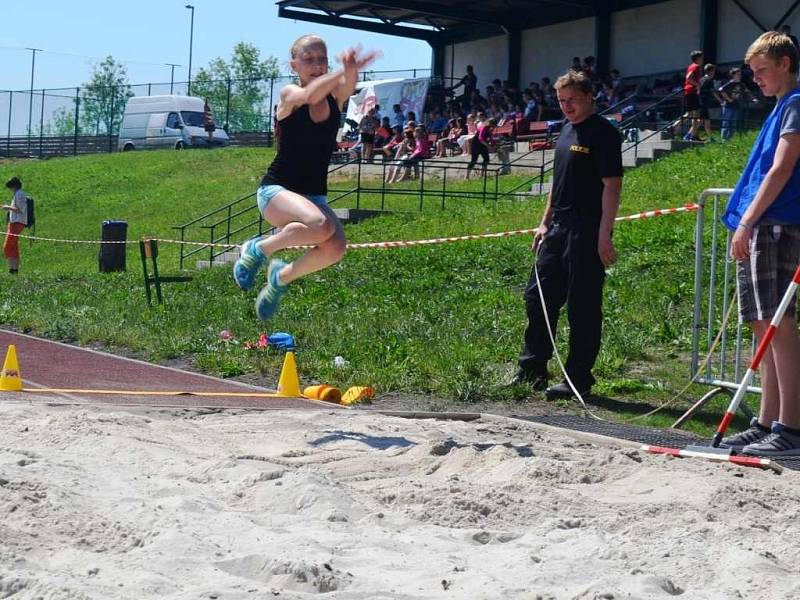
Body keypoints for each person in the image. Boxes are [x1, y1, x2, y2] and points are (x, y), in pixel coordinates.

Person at [232, 35, 377, 320]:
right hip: (276, 192)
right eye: (309, 59)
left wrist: (350, 68)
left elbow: (346, 85)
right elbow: (310, 95)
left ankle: (280, 279)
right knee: (321, 225)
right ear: (294, 65)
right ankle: (257, 248)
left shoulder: (335, 99)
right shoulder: (289, 95)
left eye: (322, 59)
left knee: (335, 248)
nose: (317, 65)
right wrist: (339, 71)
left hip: (313, 197)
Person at [511, 70, 623, 397]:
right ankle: (532, 369)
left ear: (589, 96)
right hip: (557, 227)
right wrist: (543, 222)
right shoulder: (564, 131)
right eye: (561, 101)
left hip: (586, 228)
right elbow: (557, 185)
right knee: (538, 297)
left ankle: (577, 379)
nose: (566, 106)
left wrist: (604, 234)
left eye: (572, 99)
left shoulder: (603, 133)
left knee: (582, 305)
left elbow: (612, 186)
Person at [720, 31, 800, 457]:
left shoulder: (795, 104)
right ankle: (767, 420)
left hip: (774, 223)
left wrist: (748, 221)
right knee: (761, 324)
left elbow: (781, 168)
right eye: (752, 73)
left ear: (785, 63)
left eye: (762, 71)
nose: (756, 80)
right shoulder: (780, 108)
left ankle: (790, 425)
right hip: (765, 222)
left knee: (776, 322)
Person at [3, 177, 28, 275]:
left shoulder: (19, 194)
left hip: (17, 223)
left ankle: (12, 270)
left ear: (14, 186)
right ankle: (14, 270)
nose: (10, 189)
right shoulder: (18, 194)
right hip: (14, 223)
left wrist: (7, 207)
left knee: (7, 247)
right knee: (13, 247)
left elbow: (19, 209)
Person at [680, 50, 704, 141]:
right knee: (696, 115)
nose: (702, 59)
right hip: (692, 92)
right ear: (698, 58)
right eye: (701, 57)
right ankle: (692, 135)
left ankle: (675, 127)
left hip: (688, 92)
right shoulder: (696, 66)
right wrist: (697, 85)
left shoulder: (691, 66)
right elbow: (688, 77)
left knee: (690, 114)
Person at [719, 67, 746, 141]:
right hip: (728, 105)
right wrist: (728, 99)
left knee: (733, 123)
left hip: (736, 105)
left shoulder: (741, 84)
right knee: (726, 122)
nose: (739, 76)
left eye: (740, 74)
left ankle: (730, 138)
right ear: (733, 75)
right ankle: (723, 139)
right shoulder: (730, 83)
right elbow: (721, 90)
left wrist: (753, 98)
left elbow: (746, 90)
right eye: (737, 74)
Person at [698, 63, 722, 141]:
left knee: (706, 120)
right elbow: (714, 92)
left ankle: (710, 137)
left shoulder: (701, 79)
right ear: (711, 71)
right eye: (713, 71)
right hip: (703, 102)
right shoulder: (709, 80)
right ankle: (690, 134)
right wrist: (721, 101)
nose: (714, 72)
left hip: (700, 101)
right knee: (701, 120)